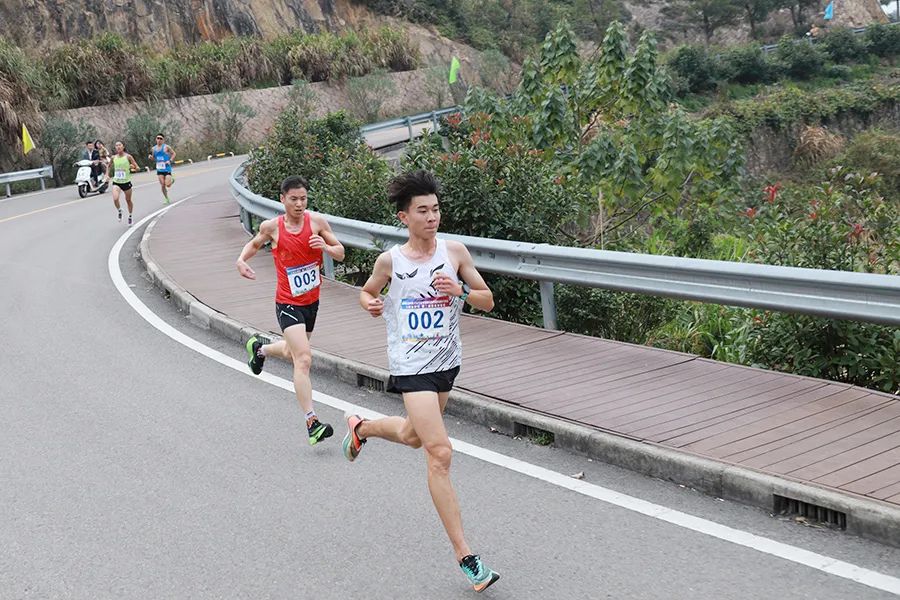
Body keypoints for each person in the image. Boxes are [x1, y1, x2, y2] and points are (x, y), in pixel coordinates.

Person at [343, 170, 500, 593]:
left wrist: (461, 293)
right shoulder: (390, 261)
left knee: (414, 435)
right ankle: (466, 556)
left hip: (447, 362)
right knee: (439, 453)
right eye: (423, 211)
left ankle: (362, 429)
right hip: (410, 365)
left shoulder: (454, 252)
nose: (432, 217)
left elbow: (486, 299)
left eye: (435, 209)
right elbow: (366, 291)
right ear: (404, 217)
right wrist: (370, 304)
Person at [236, 176, 345, 446]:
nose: (299, 204)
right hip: (287, 302)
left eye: (303, 199)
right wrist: (240, 260)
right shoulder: (272, 227)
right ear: (282, 199)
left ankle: (259, 349)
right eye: (293, 199)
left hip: (311, 302)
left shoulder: (317, 223)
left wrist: (327, 247)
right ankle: (312, 422)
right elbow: (254, 244)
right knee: (304, 359)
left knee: (291, 350)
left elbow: (341, 252)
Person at [106, 141, 139, 226]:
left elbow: (137, 167)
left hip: (126, 182)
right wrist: (107, 175)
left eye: (119, 145)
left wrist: (133, 167)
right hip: (117, 181)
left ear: (123, 146)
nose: (118, 147)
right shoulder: (113, 157)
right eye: (116, 145)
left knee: (128, 200)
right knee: (115, 198)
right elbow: (109, 166)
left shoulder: (128, 157)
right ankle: (120, 210)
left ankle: (130, 216)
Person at [149, 133, 176, 204]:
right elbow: (154, 158)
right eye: (158, 138)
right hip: (159, 168)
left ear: (163, 140)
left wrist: (170, 160)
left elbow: (173, 153)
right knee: (162, 185)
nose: (159, 140)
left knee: (168, 185)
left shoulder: (166, 147)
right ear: (156, 139)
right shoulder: (153, 149)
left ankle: (171, 180)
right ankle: (166, 198)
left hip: (167, 168)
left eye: (161, 138)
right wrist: (151, 158)